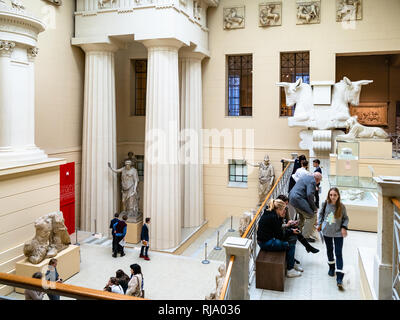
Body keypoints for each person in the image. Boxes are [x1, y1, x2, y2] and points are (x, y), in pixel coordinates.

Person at [256, 198, 302, 278]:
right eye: (283, 210)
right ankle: (290, 270)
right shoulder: (273, 217)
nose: (285, 212)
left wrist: (289, 229)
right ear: (278, 209)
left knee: (291, 239)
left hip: (267, 238)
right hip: (265, 242)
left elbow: (278, 230)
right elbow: (280, 235)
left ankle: (292, 263)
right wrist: (291, 231)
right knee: (289, 245)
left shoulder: (271, 213)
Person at [317, 187, 349, 289]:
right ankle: (331, 267)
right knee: (329, 250)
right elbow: (321, 214)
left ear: (338, 196)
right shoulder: (325, 204)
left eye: (335, 195)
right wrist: (319, 224)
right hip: (327, 232)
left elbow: (345, 218)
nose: (333, 197)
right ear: (328, 195)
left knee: (338, 253)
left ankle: (339, 277)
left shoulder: (341, 206)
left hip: (338, 233)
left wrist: (344, 227)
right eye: (331, 195)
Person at [289, 172, 322, 242]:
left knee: (302, 215)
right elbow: (309, 195)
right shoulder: (313, 181)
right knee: (311, 216)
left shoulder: (306, 177)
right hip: (298, 199)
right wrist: (314, 207)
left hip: (292, 198)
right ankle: (305, 236)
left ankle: (298, 231)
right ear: (318, 180)